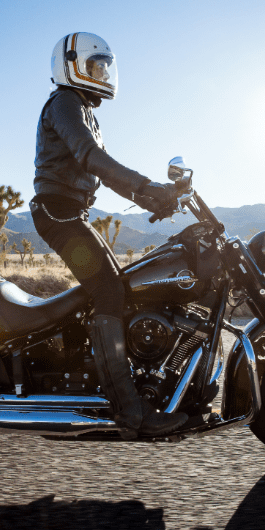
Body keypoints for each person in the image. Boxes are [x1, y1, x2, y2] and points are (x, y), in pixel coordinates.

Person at [31, 32, 187, 438]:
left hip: (69, 213)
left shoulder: (82, 109)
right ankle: (130, 410)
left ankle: (116, 380)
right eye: (94, 66)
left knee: (119, 287)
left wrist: (155, 196)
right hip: (58, 214)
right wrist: (144, 188)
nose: (102, 73)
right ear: (72, 65)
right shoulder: (64, 102)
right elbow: (91, 157)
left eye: (104, 66)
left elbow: (96, 165)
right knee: (109, 292)